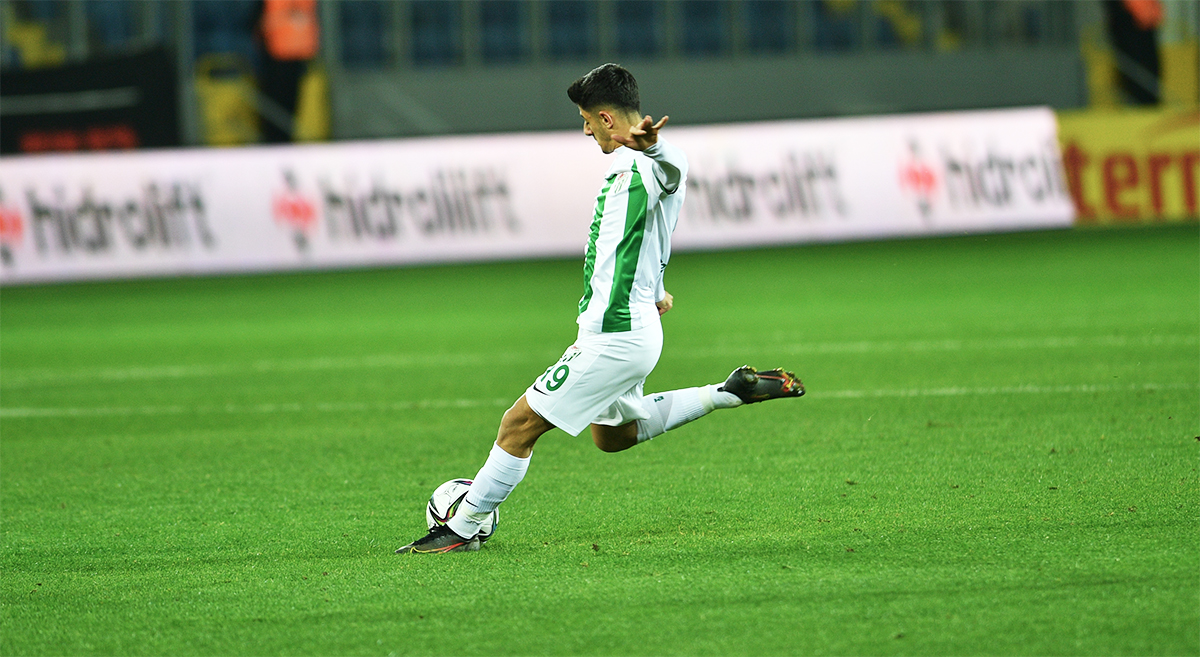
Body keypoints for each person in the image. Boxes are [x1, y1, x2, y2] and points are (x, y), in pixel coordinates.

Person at [397, 63, 805, 555]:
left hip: (616, 334)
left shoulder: (650, 165)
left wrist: (654, 147)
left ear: (607, 118)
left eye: (588, 120)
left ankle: (461, 527)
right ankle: (726, 393)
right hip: (625, 326)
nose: (586, 130)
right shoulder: (625, 169)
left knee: (518, 425)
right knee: (613, 437)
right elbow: (643, 238)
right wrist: (656, 286)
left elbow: (675, 170)